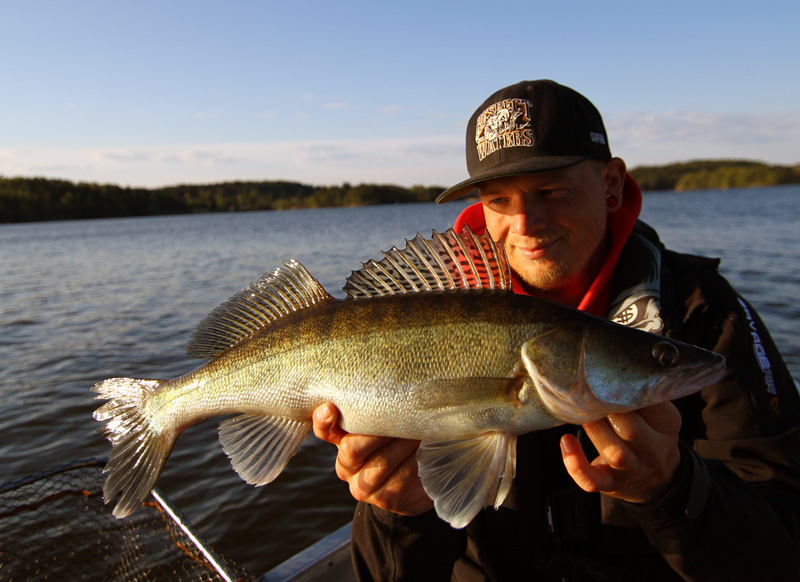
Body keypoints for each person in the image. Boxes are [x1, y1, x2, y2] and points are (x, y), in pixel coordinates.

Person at [312, 80, 800, 581]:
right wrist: (401, 514)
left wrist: (673, 489)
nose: (524, 222)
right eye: (498, 199)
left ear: (611, 183)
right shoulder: (430, 310)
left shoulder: (704, 315)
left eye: (551, 191)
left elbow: (785, 549)